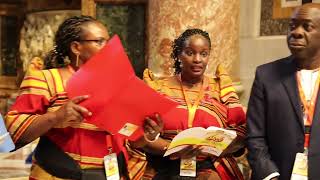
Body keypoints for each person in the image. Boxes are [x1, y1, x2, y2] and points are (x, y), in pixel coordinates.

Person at [4, 15, 153, 180]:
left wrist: (148, 133)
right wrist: (55, 117)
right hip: (59, 174)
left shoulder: (121, 84)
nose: (108, 48)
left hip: (112, 174)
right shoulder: (47, 79)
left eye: (108, 42)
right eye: (99, 41)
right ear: (76, 47)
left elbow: (132, 141)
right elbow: (13, 131)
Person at [142, 28, 246, 179]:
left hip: (211, 167)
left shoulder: (221, 88)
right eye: (190, 53)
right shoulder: (159, 89)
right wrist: (174, 149)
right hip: (165, 166)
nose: (197, 59)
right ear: (178, 55)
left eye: (204, 54)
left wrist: (221, 147)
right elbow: (142, 137)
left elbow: (242, 133)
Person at [246, 3, 320, 180]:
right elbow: (255, 136)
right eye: (292, 26)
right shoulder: (266, 75)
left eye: (307, 26)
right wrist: (270, 175)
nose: (296, 32)